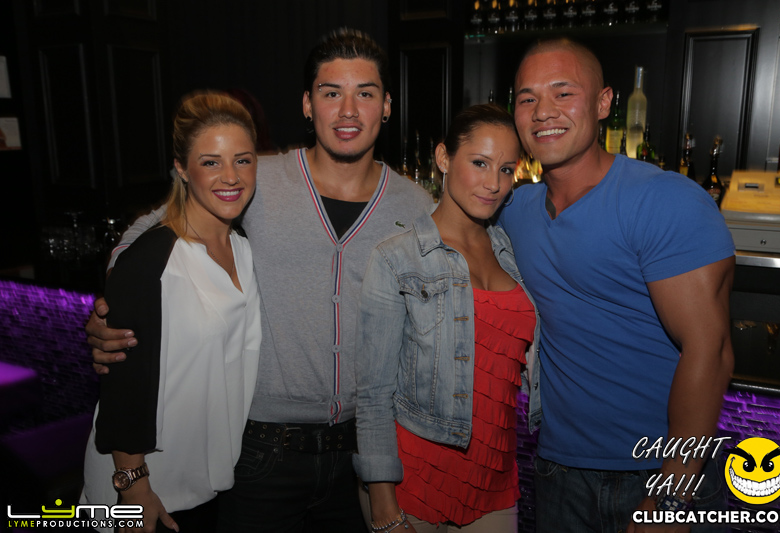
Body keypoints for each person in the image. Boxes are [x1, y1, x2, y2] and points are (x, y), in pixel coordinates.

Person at [85, 29, 432, 532]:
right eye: (331, 93)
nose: (348, 110)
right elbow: (150, 229)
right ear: (308, 105)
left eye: (365, 93)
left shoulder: (415, 206)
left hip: (359, 458)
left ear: (387, 106)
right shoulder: (255, 177)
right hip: (260, 454)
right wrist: (115, 308)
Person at [498, 38, 735, 532]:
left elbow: (709, 350)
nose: (543, 112)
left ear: (604, 103)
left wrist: (672, 492)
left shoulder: (664, 200)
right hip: (559, 470)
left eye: (563, 93)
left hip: (659, 471)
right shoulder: (512, 210)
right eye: (527, 98)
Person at [354, 103, 541, 533]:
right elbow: (373, 395)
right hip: (414, 483)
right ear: (443, 158)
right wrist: (384, 509)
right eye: (479, 163)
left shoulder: (512, 252)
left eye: (506, 170)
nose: (494, 183)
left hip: (494, 482)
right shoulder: (396, 257)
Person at [81, 91, 262, 533]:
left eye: (242, 160)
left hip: (203, 484)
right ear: (182, 168)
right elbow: (122, 387)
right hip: (146, 494)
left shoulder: (243, 249)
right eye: (211, 162)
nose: (231, 176)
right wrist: (133, 487)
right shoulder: (151, 260)